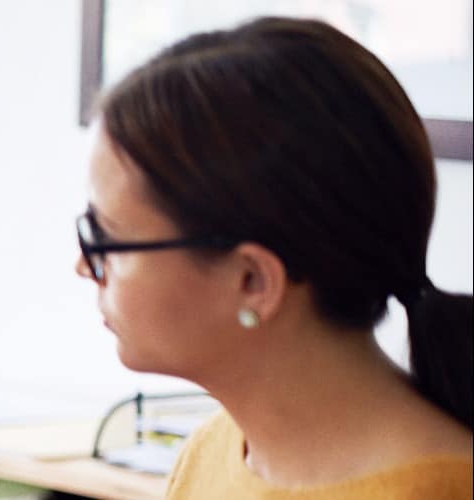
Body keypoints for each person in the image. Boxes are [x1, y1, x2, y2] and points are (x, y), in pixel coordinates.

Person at [78, 16, 473, 498]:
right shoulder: (214, 451)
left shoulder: (438, 489)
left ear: (252, 281)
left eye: (104, 240)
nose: (84, 266)